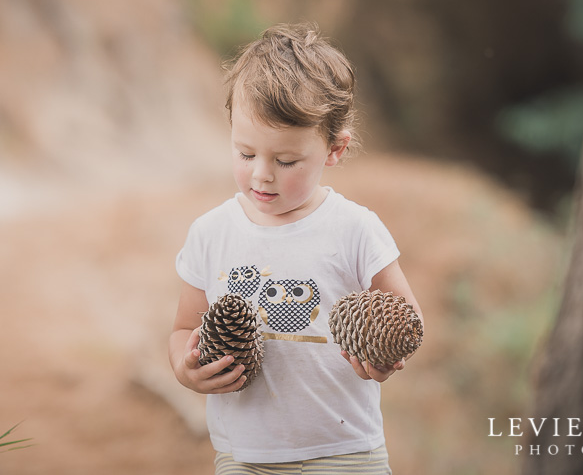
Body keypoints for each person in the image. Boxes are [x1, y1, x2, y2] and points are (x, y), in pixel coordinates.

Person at [169, 23, 423, 474]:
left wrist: (385, 356)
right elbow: (182, 328)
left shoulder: (355, 229)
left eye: (285, 161)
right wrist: (185, 370)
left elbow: (407, 317)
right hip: (244, 457)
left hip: (345, 453)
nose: (262, 175)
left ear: (334, 149)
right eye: (246, 154)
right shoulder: (211, 233)